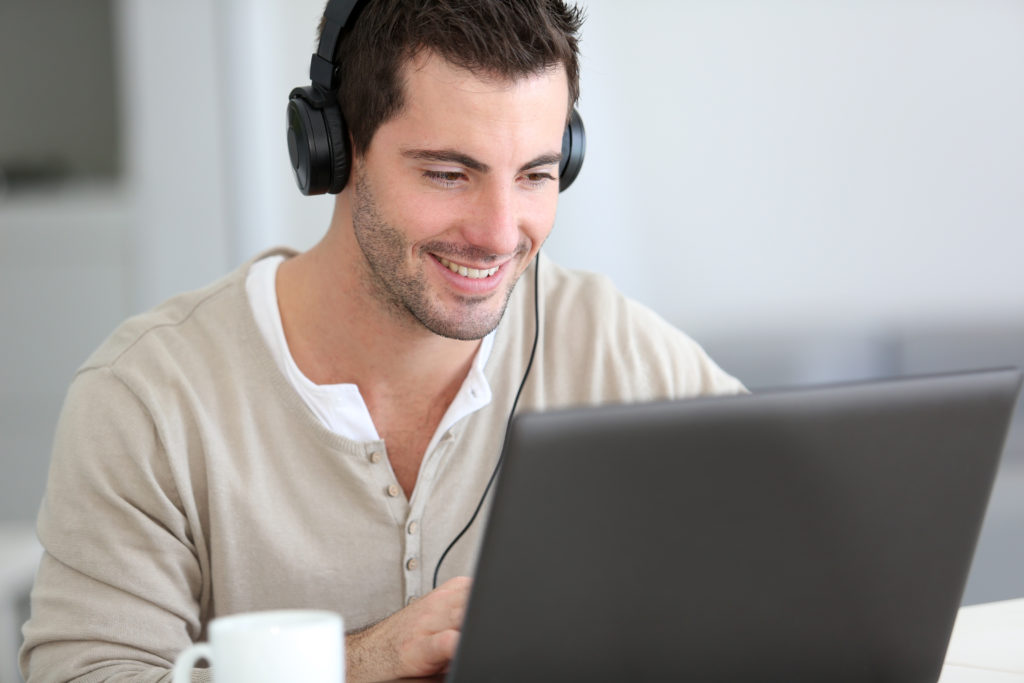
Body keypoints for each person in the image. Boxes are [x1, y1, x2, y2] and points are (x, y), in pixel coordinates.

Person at [20, 0, 745, 681]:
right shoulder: (146, 398)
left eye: (535, 175)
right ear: (334, 150)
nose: (499, 233)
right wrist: (357, 662)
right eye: (448, 173)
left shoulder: (618, 351)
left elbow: (814, 570)